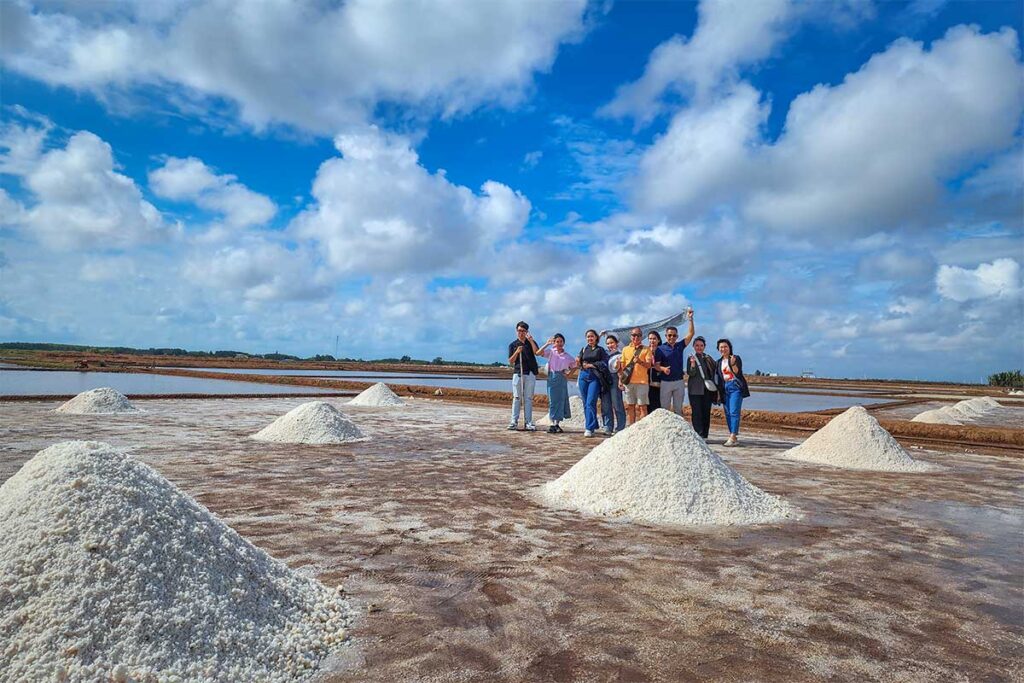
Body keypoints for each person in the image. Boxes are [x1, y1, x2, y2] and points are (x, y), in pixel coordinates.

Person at [655, 311, 695, 416]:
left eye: (674, 335)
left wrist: (690, 319)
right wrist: (663, 369)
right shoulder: (660, 349)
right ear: (666, 336)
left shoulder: (680, 346)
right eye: (669, 335)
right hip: (665, 382)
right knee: (664, 411)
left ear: (677, 336)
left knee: (678, 410)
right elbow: (656, 365)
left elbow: (691, 334)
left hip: (679, 382)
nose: (671, 337)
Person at [714, 338, 751, 446]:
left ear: (730, 348)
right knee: (728, 412)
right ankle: (732, 435)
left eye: (725, 347)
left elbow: (737, 372)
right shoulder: (718, 362)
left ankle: (733, 436)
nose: (723, 349)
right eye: (721, 347)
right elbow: (718, 377)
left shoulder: (735, 358)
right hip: (724, 387)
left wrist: (733, 364)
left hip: (735, 386)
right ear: (718, 349)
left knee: (734, 411)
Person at [538, 333, 577, 433]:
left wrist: (569, 375)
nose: (559, 343)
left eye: (561, 341)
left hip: (562, 378)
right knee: (552, 400)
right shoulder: (551, 352)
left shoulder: (567, 356)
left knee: (561, 400)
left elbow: (575, 365)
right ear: (554, 343)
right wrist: (547, 344)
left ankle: (557, 424)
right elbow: (538, 353)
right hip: (552, 376)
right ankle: (552, 423)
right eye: (557, 341)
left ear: (564, 343)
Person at [576, 329, 610, 437]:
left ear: (596, 337)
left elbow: (605, 362)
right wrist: (578, 361)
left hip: (594, 377)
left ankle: (589, 428)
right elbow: (580, 362)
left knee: (591, 402)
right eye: (588, 337)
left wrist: (592, 365)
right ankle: (592, 424)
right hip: (583, 376)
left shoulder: (601, 350)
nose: (590, 338)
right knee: (585, 402)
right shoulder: (583, 349)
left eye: (592, 336)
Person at [507, 321, 540, 431]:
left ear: (527, 332)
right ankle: (514, 422)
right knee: (517, 398)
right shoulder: (513, 345)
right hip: (518, 373)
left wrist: (530, 340)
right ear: (516, 331)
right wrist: (517, 352)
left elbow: (537, 352)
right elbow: (510, 361)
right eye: (519, 331)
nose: (521, 333)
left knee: (528, 398)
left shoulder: (531, 342)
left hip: (530, 373)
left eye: (523, 331)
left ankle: (528, 422)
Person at [618, 327, 653, 426]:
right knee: (630, 406)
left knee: (643, 406)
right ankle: (631, 428)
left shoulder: (646, 349)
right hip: (629, 382)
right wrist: (620, 380)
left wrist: (639, 361)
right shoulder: (625, 349)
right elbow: (622, 367)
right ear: (630, 336)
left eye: (638, 335)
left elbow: (649, 365)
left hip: (642, 382)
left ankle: (643, 428)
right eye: (634, 335)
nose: (636, 337)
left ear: (641, 337)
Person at [686, 336, 718, 439]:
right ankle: (698, 434)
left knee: (706, 412)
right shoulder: (690, 358)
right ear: (693, 346)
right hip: (694, 390)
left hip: (707, 390)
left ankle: (705, 435)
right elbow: (691, 373)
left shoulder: (708, 358)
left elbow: (714, 371)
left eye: (701, 345)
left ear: (704, 346)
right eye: (697, 345)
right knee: (696, 413)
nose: (699, 347)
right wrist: (692, 364)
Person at [602, 335, 627, 433]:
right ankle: (608, 426)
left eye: (612, 343)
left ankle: (620, 427)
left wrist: (620, 380)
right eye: (608, 343)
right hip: (604, 379)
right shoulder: (605, 354)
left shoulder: (620, 354)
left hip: (614, 378)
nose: (610, 345)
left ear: (616, 343)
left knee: (617, 403)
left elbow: (620, 369)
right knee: (606, 404)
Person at [647, 331, 671, 412]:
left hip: (660, 382)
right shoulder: (645, 350)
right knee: (648, 405)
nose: (652, 341)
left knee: (658, 406)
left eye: (654, 339)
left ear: (658, 340)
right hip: (647, 382)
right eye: (650, 339)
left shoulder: (662, 350)